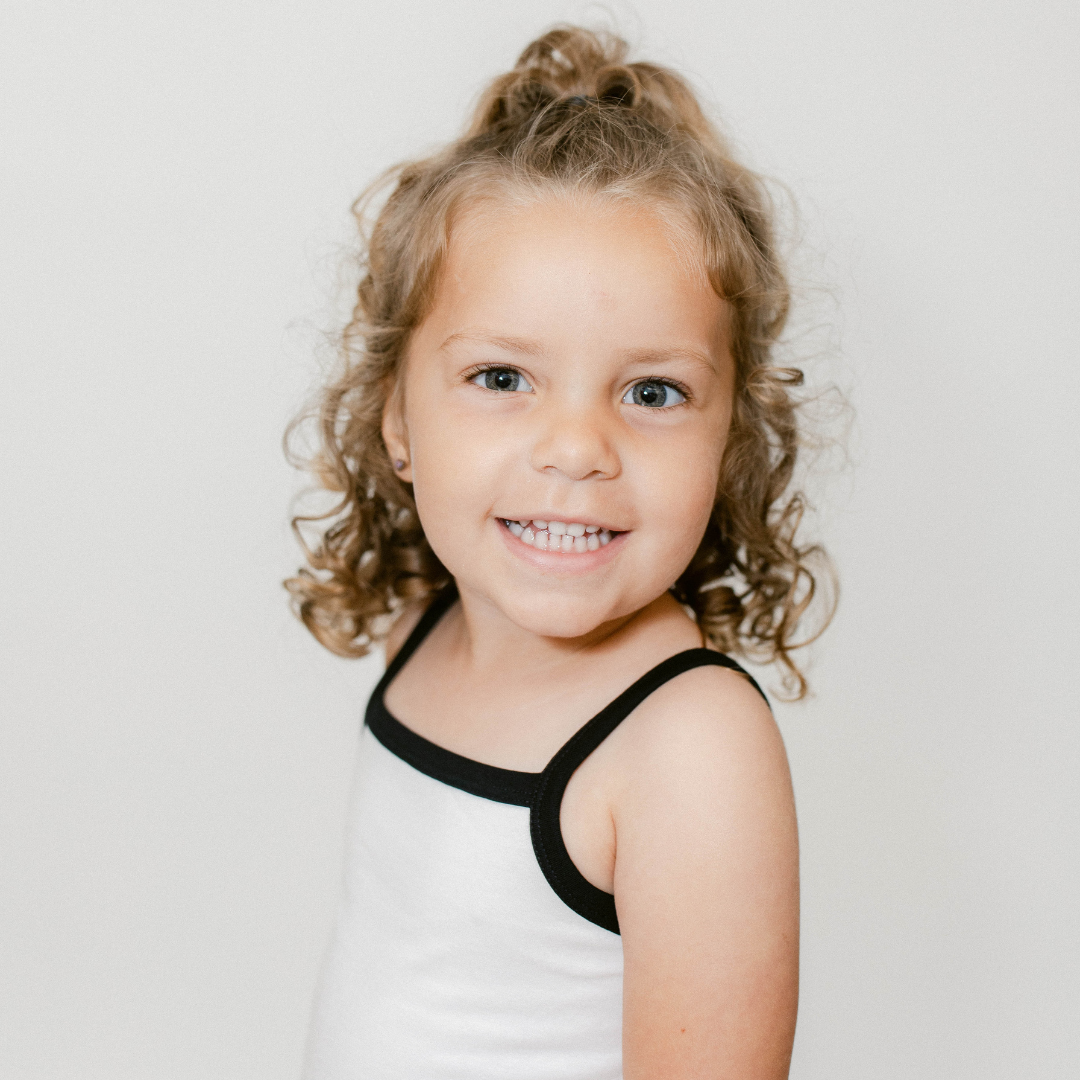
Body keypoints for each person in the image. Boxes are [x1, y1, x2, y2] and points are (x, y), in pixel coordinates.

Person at [288, 25, 832, 1080]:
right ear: (397, 420)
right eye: (502, 378)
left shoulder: (687, 745)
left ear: (732, 438)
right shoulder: (421, 629)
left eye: (653, 391)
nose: (578, 448)